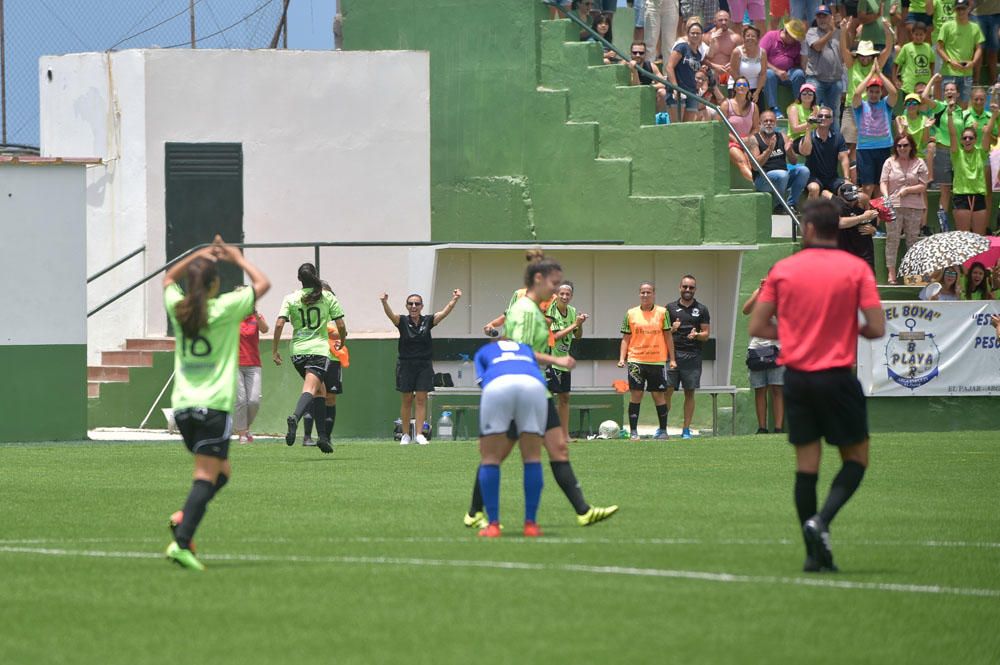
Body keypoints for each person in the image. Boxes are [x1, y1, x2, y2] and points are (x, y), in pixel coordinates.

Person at [748, 198, 885, 573]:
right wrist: (840, 328)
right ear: (836, 228)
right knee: (856, 459)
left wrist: (795, 333)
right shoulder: (856, 269)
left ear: (808, 228)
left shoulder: (784, 269)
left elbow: (757, 326)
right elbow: (876, 327)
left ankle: (813, 554)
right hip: (838, 377)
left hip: (798, 378)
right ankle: (821, 522)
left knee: (807, 466)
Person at [465, 254, 618, 529]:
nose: (557, 289)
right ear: (539, 280)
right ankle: (477, 511)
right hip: (523, 385)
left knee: (557, 447)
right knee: (498, 454)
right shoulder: (524, 310)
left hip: (536, 387)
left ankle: (583, 510)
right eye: (554, 283)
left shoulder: (535, 309)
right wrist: (557, 360)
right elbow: (518, 352)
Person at [163, 235, 271, 571]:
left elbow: (167, 279)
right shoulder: (225, 309)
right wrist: (237, 259)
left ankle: (185, 517)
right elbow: (263, 283)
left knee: (221, 473)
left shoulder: (178, 308)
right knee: (205, 476)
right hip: (212, 407)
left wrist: (197, 253)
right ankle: (182, 542)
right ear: (213, 285)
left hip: (183, 408)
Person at [474, 339, 576, 538]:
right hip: (534, 386)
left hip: (498, 385)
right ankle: (530, 524)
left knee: (490, 458)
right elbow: (539, 360)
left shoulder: (484, 351)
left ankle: (493, 525)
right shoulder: (525, 349)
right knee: (532, 457)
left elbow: (483, 382)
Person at [271, 263, 347, 455]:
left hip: (296, 351)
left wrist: (274, 350)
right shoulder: (327, 296)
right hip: (318, 350)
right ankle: (295, 418)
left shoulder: (291, 297)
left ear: (299, 279)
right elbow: (341, 324)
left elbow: (280, 323)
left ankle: (322, 437)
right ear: (316, 276)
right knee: (311, 389)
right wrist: (343, 340)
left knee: (320, 391)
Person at [380, 288, 462, 446]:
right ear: (406, 306)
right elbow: (391, 315)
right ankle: (405, 435)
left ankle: (419, 434)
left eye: (416, 304)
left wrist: (455, 299)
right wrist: (384, 302)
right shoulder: (402, 321)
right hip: (405, 364)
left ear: (421, 306)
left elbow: (444, 313)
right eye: (410, 304)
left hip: (424, 364)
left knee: (421, 399)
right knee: (406, 399)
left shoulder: (427, 321)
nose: (413, 306)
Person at [618, 281, 676, 440]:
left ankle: (663, 431)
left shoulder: (663, 313)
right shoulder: (630, 313)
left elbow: (668, 336)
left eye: (648, 292)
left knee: (658, 395)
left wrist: (672, 359)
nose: (645, 295)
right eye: (642, 292)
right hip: (636, 360)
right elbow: (625, 338)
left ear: (653, 294)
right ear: (639, 294)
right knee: (636, 394)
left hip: (657, 360)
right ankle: (634, 432)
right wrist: (622, 358)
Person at [880, 133, 930, 284]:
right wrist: (886, 196)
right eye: (899, 145)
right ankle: (891, 274)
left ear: (911, 147)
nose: (902, 148)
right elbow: (883, 182)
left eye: (905, 145)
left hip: (914, 206)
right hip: (893, 205)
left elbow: (923, 185)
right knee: (892, 239)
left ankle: (912, 274)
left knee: (912, 240)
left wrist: (908, 190)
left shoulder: (919, 162)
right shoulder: (889, 162)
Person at [666, 275, 711, 440]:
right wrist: (672, 329)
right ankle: (663, 428)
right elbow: (663, 333)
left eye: (691, 287)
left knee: (689, 392)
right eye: (685, 287)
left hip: (693, 356)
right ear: (679, 288)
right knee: (667, 390)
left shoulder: (702, 309)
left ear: (695, 290)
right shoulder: (669, 308)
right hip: (672, 355)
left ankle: (686, 429)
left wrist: (697, 335)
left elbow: (706, 334)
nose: (687, 290)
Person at [303, 292, 349, 447]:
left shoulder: (334, 316)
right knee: (312, 393)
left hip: (334, 361)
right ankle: (307, 436)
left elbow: (342, 332)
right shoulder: (313, 313)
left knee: (330, 398)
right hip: (315, 358)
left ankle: (326, 437)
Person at [840, 32, 894, 166]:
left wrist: (887, 30)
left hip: (872, 108)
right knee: (849, 144)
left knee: (865, 144)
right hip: (852, 107)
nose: (864, 58)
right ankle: (852, 180)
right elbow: (843, 49)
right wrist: (844, 30)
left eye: (867, 55)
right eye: (862, 55)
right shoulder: (852, 64)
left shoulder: (876, 65)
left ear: (872, 55)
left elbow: (888, 48)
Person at [547, 282, 588, 443]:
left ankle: (565, 435)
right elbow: (554, 337)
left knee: (565, 398)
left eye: (568, 294)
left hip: (564, 361)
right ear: (556, 294)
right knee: (547, 398)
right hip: (550, 359)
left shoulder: (572, 311)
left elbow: (577, 336)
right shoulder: (551, 310)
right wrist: (574, 325)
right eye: (561, 293)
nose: (564, 297)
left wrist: (580, 325)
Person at [948, 100, 997, 234]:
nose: (967, 140)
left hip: (978, 196)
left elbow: (987, 133)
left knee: (978, 238)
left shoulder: (981, 153)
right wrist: (950, 115)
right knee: (964, 239)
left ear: (975, 140)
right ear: (961, 141)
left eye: (970, 138)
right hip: (962, 197)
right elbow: (952, 134)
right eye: (965, 138)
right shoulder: (957, 154)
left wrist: (994, 115)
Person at [742, 279, 784, 434]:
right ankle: (762, 427)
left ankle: (778, 428)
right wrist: (759, 292)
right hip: (757, 348)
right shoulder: (758, 292)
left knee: (777, 389)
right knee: (760, 390)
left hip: (776, 348)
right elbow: (746, 310)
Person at [752, 109, 811, 213]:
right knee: (782, 174)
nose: (769, 123)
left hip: (783, 179)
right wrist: (769, 149)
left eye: (771, 121)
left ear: (775, 123)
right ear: (760, 123)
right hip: (763, 180)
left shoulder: (782, 136)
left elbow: (793, 161)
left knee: (804, 170)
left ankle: (791, 204)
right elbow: (756, 166)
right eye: (765, 121)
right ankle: (779, 205)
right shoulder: (754, 139)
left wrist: (789, 151)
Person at [851, 70, 898, 198]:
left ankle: (876, 217)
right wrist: (871, 73)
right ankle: (865, 215)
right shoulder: (861, 106)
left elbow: (894, 92)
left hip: (883, 148)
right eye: (871, 91)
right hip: (865, 150)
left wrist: (880, 75)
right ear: (867, 92)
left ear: (881, 92)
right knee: (867, 187)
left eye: (877, 92)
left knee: (879, 186)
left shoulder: (886, 104)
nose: (874, 94)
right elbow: (856, 94)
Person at [923, 75, 962, 230]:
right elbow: (924, 97)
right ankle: (943, 226)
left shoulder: (961, 112)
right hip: (943, 152)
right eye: (947, 90)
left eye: (952, 90)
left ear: (958, 94)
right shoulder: (940, 107)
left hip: (959, 155)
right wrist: (933, 79)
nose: (949, 92)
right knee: (945, 192)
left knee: (959, 191)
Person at [795, 105, 852, 199]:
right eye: (820, 116)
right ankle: (811, 213)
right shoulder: (810, 136)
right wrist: (808, 128)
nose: (823, 118)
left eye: (827, 116)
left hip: (832, 178)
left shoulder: (838, 137)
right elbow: (806, 152)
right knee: (814, 188)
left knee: (847, 190)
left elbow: (844, 158)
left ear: (831, 120)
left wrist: (847, 179)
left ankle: (844, 213)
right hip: (813, 178)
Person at [936, 0, 984, 106]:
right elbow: (939, 48)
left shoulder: (975, 27)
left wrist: (973, 62)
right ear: (954, 10)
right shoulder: (947, 26)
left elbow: (979, 48)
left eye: (963, 8)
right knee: (947, 105)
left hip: (966, 72)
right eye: (958, 9)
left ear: (968, 9)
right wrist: (949, 61)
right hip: (949, 72)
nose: (961, 11)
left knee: (964, 105)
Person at [805, 6, 845, 128]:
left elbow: (846, 49)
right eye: (819, 16)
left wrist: (844, 29)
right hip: (816, 79)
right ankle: (813, 141)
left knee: (834, 114)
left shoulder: (839, 33)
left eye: (825, 16)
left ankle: (834, 142)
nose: (822, 19)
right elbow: (817, 46)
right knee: (814, 112)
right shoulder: (812, 32)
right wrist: (831, 32)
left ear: (830, 17)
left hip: (835, 81)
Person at [761, 19, 808, 119]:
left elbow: (798, 63)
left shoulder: (796, 44)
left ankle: (799, 105)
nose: (796, 40)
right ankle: (773, 108)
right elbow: (759, 57)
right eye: (794, 37)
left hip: (789, 73)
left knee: (799, 73)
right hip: (771, 72)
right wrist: (777, 71)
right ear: (786, 33)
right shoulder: (771, 36)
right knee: (769, 74)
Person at [235, 307, 268, 444]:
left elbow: (265, 329)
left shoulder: (256, 317)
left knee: (254, 401)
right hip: (234, 365)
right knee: (241, 400)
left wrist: (257, 315)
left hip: (253, 364)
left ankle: (245, 427)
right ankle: (242, 434)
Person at [666, 18, 706, 122]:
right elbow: (669, 66)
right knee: (677, 126)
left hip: (691, 92)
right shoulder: (682, 47)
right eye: (693, 33)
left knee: (688, 126)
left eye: (698, 33)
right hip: (678, 91)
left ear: (702, 35)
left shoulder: (699, 54)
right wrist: (675, 87)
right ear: (688, 34)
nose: (695, 35)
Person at [835, 182, 878, 273]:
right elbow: (839, 222)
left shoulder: (867, 210)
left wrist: (873, 230)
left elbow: (874, 228)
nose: (851, 202)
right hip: (845, 253)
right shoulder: (838, 206)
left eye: (854, 199)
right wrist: (862, 217)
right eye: (848, 200)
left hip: (865, 255)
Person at [723, 76, 759, 182]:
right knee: (742, 162)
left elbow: (756, 128)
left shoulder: (753, 107)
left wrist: (748, 138)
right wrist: (735, 139)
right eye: (739, 84)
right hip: (730, 141)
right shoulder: (726, 104)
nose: (742, 86)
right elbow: (720, 128)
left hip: (747, 141)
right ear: (734, 88)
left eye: (745, 85)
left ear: (748, 88)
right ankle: (757, 183)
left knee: (752, 162)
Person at [626, 41, 670, 114]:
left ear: (645, 54)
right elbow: (636, 89)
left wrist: (651, 86)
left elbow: (665, 83)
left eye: (641, 53)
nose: (638, 55)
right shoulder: (625, 66)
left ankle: (658, 120)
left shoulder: (651, 66)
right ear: (630, 53)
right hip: (631, 99)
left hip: (648, 97)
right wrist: (634, 71)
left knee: (662, 92)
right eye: (634, 52)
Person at [893, 21, 935, 96]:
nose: (918, 37)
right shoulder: (907, 47)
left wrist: (931, 76)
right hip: (909, 85)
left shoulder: (928, 47)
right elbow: (896, 63)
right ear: (912, 34)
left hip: (924, 86)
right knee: (910, 106)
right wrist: (895, 79)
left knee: (924, 106)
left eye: (921, 35)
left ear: (925, 35)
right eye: (916, 34)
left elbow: (932, 62)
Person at [704, 10, 742, 86]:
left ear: (730, 21)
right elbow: (701, 58)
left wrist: (732, 63)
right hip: (711, 71)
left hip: (729, 73)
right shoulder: (706, 37)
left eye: (726, 20)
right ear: (714, 21)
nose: (723, 22)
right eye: (720, 20)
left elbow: (743, 56)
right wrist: (714, 66)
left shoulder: (735, 38)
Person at [729, 25, 767, 100]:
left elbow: (763, 74)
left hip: (756, 88)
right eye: (747, 36)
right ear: (743, 38)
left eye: (753, 36)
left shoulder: (762, 53)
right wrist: (746, 91)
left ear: (758, 39)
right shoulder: (737, 52)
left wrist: (757, 92)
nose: (750, 38)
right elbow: (733, 72)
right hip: (738, 86)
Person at [973, 0, 1000, 84]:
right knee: (979, 50)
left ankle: (994, 84)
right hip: (978, 14)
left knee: (993, 50)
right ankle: (975, 82)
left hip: (997, 14)